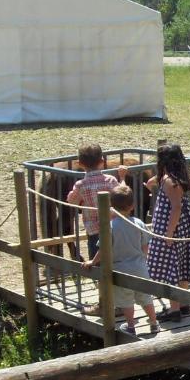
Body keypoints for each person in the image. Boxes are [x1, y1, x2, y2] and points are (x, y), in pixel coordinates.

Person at [82, 184, 159, 336]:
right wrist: (143, 260)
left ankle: (131, 326)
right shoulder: (138, 223)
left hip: (121, 270)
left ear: (111, 207)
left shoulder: (110, 226)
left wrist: (93, 262)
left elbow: (103, 250)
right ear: (132, 206)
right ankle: (154, 323)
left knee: (126, 300)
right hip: (140, 268)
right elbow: (145, 247)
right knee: (145, 297)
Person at [67, 143, 125, 316]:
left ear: (80, 163)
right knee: (116, 265)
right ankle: (121, 304)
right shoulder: (111, 180)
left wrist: (77, 196)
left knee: (100, 267)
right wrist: (122, 176)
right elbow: (122, 194)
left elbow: (71, 201)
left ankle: (103, 304)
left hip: (94, 232)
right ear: (102, 161)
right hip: (114, 230)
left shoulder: (81, 184)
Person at [146, 144, 190, 323]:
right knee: (181, 264)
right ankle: (182, 304)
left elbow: (176, 208)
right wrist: (153, 182)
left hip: (171, 229)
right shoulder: (176, 178)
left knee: (170, 267)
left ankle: (174, 310)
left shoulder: (169, 181)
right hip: (181, 229)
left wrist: (168, 234)